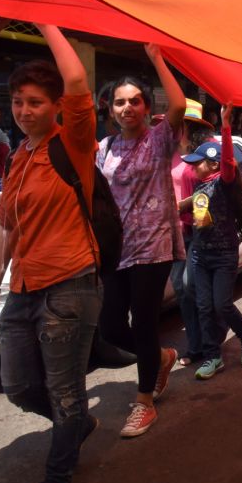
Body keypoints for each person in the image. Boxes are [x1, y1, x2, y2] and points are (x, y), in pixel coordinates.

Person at [0, 24, 101, 483]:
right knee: (18, 387)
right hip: (23, 287)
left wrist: (43, 20)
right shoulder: (17, 158)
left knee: (65, 391)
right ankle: (77, 427)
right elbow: (7, 227)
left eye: (34, 101)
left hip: (71, 283)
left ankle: (57, 479)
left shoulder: (71, 142)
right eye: (17, 102)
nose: (24, 111)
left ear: (54, 107)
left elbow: (75, 81)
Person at [96, 43, 186, 438]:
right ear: (110, 108)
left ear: (147, 107)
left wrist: (156, 58)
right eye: (119, 102)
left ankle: (144, 401)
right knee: (112, 326)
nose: (127, 108)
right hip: (117, 249)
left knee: (145, 322)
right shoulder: (105, 148)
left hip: (154, 246)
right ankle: (161, 358)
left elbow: (180, 105)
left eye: (135, 101)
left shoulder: (160, 139)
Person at [181, 104, 242, 379]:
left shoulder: (223, 182)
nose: (193, 168)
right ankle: (213, 357)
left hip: (224, 255)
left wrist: (225, 127)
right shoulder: (200, 187)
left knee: (221, 305)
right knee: (203, 305)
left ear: (213, 164)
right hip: (200, 255)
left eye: (197, 163)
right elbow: (196, 212)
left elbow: (229, 163)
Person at [169, 99, 216, 367]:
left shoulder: (205, 154)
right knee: (181, 288)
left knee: (193, 286)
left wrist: (182, 207)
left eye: (178, 122)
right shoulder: (169, 153)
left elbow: (211, 191)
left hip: (199, 231)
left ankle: (210, 343)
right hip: (174, 232)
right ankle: (197, 346)